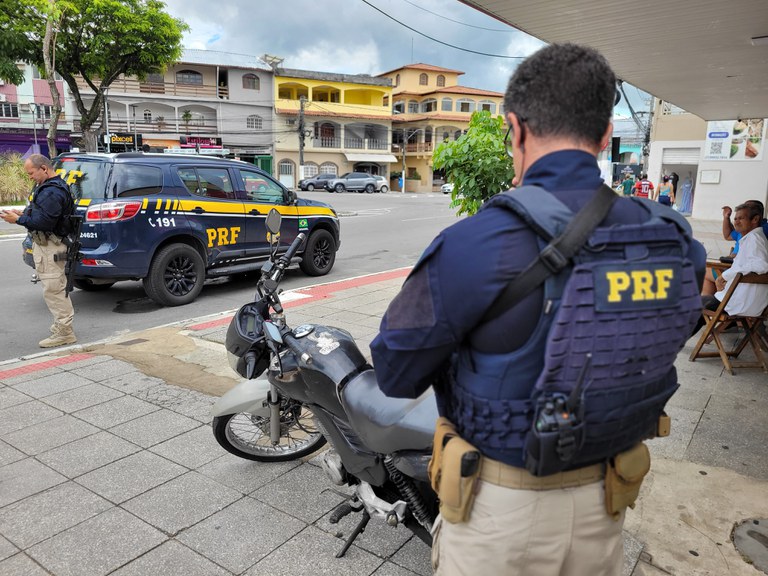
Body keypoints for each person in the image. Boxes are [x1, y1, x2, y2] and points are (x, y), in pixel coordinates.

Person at [371, 44, 705, 576]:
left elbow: (394, 372)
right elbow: (674, 327)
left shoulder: (475, 243)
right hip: (607, 504)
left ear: (516, 129)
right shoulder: (672, 240)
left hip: (500, 513)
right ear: (602, 137)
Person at [0, 154, 77, 348]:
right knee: (53, 287)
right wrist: (23, 214)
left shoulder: (52, 192)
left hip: (51, 246)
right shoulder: (51, 187)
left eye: (31, 173)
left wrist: (17, 220)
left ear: (44, 168)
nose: (30, 177)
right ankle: (61, 326)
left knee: (54, 289)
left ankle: (65, 332)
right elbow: (43, 213)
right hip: (47, 245)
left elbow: (45, 222)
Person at [693, 202, 768, 335]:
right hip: (741, 301)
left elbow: (761, 265)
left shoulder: (754, 239)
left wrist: (725, 275)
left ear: (755, 219)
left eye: (741, 218)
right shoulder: (751, 238)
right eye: (735, 218)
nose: (737, 221)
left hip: (740, 303)